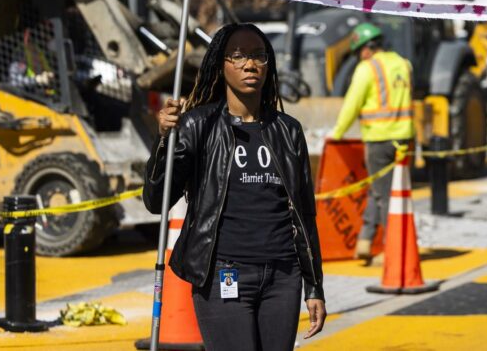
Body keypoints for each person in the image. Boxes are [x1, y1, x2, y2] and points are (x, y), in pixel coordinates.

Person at [144, 23, 326, 350]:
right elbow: (157, 199)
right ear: (221, 64)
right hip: (224, 275)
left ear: (269, 64)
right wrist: (164, 140)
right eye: (238, 55)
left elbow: (305, 215)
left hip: (283, 279)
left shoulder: (288, 130)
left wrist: (314, 287)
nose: (249, 64)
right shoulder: (198, 125)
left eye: (258, 56)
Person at [328, 22, 414, 261]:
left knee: (385, 197)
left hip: (379, 140)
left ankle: (393, 251)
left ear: (365, 49)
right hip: (404, 139)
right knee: (385, 192)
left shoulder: (367, 69)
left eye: (358, 53)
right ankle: (365, 241)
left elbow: (351, 105)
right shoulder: (404, 64)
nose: (359, 58)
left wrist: (337, 134)